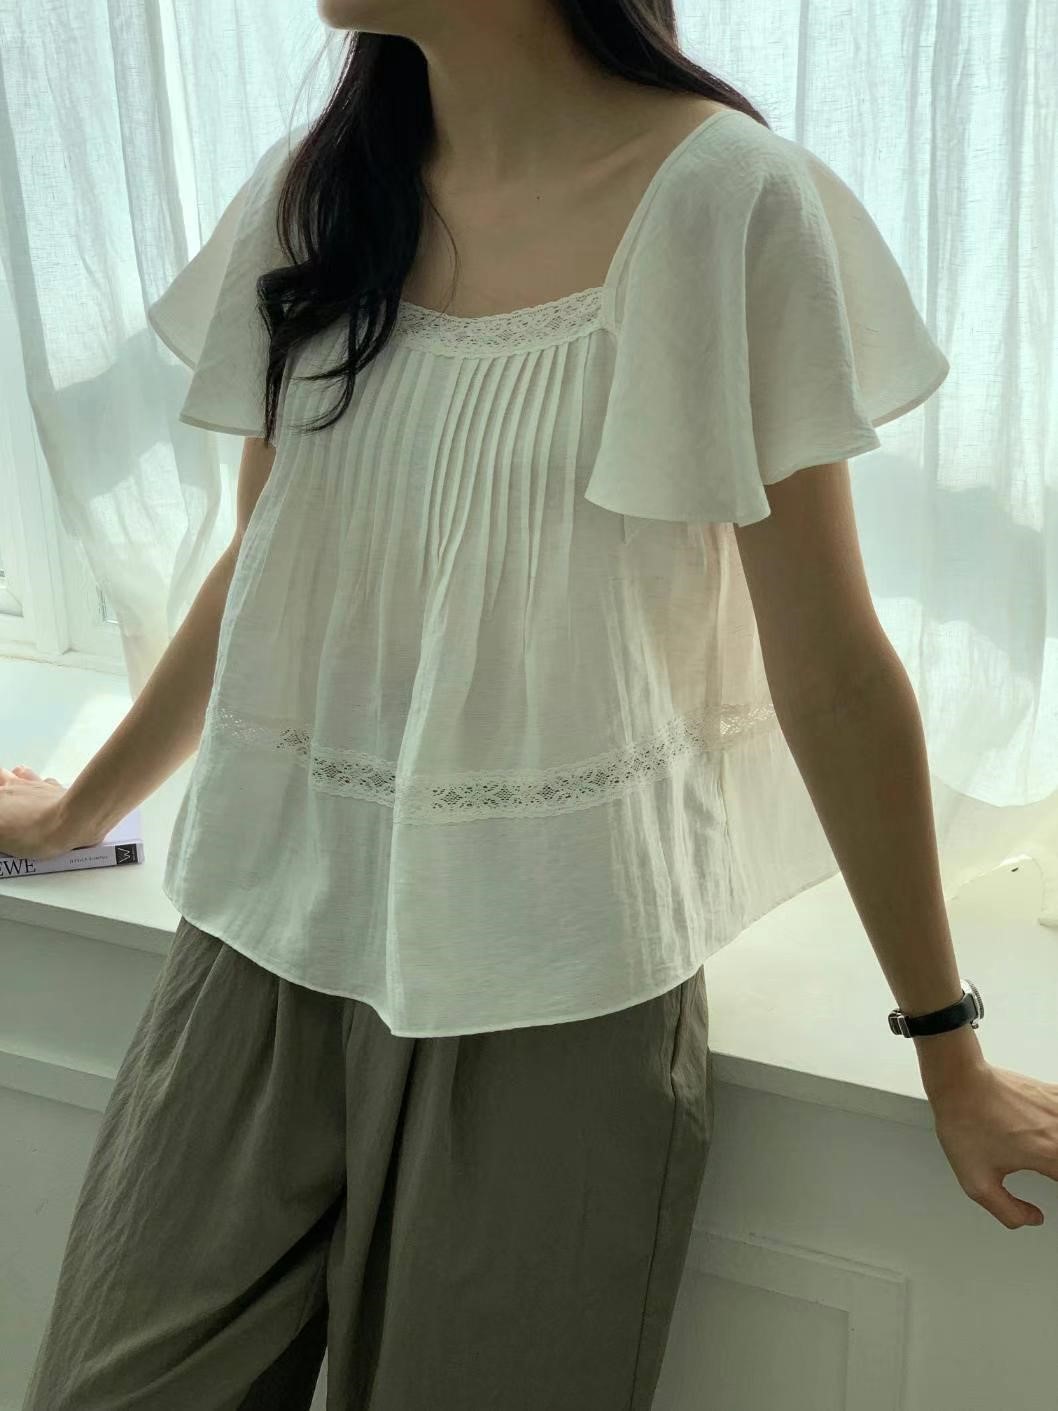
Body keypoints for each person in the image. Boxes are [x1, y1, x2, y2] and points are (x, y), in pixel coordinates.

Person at [10, 1, 1052, 1409]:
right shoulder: (321, 186)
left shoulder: (726, 201)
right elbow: (269, 565)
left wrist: (946, 1047)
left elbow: (828, 662)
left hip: (561, 989)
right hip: (260, 933)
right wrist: (79, 808)